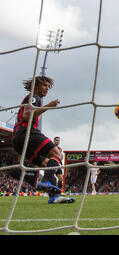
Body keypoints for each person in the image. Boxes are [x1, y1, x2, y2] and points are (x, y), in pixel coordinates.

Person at [12, 76, 74, 204]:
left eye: (48, 86)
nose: (47, 89)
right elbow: (26, 115)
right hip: (26, 133)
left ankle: (54, 197)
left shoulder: (32, 98)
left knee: (48, 164)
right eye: (44, 86)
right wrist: (48, 106)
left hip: (18, 139)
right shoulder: (34, 97)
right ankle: (45, 181)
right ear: (36, 86)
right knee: (57, 154)